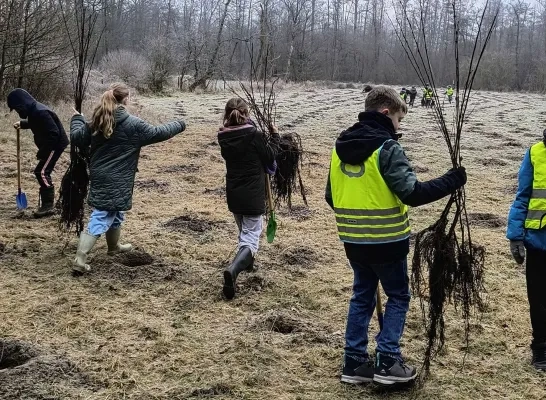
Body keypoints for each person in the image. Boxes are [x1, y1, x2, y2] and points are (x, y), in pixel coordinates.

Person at [324, 86, 467, 386]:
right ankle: (387, 362)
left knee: (362, 295)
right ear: (386, 112)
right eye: (399, 120)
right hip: (388, 242)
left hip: (353, 241)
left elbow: (331, 196)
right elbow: (412, 193)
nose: (399, 126)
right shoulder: (387, 148)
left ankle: (354, 363)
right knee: (399, 296)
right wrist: (452, 180)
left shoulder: (339, 147)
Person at [69, 83, 186, 274]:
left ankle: (114, 247)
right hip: (117, 178)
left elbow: (76, 137)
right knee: (103, 214)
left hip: (101, 175)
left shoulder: (97, 121)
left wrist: (76, 118)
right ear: (126, 100)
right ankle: (80, 260)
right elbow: (159, 133)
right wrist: (180, 123)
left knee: (115, 211)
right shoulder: (133, 124)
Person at [218, 98, 279, 300]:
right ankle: (233, 271)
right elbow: (270, 157)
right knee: (251, 238)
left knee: (244, 232)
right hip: (253, 195)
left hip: (234, 194)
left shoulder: (223, 136)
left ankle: (248, 264)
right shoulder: (254, 135)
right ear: (247, 113)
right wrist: (275, 136)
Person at [507, 129, 546, 372]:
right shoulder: (534, 153)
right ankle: (541, 347)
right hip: (539, 242)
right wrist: (515, 236)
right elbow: (522, 196)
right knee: (540, 298)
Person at [7, 88, 69, 218]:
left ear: (22, 104)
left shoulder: (40, 112)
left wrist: (44, 152)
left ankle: (48, 206)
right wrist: (22, 124)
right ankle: (46, 203)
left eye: (18, 109)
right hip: (51, 144)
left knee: (41, 172)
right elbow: (37, 123)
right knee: (41, 171)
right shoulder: (35, 111)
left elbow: (53, 133)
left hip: (55, 145)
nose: (18, 113)